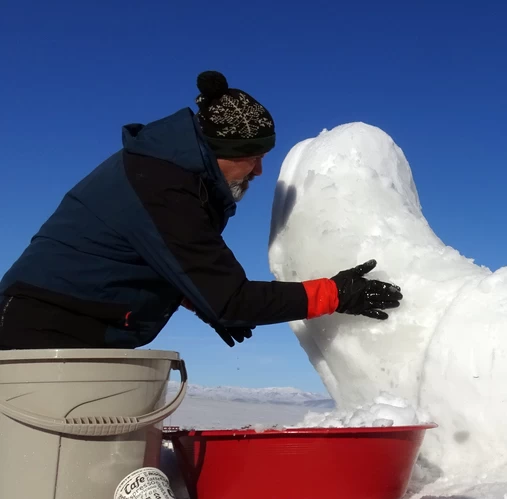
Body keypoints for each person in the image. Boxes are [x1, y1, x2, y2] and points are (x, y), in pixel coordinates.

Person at [0, 70, 403, 350]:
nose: (260, 171)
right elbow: (232, 299)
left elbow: (148, 257)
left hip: (63, 324)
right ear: (220, 153)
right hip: (44, 332)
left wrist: (199, 298)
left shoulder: (168, 172)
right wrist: (335, 293)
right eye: (253, 158)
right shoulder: (163, 186)